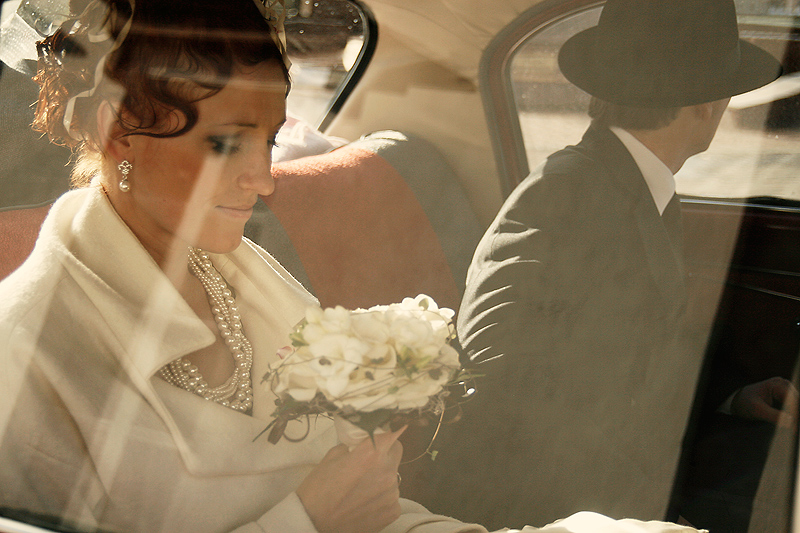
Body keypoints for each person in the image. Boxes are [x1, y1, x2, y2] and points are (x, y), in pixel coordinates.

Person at [0, 1, 712, 532]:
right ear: (117, 131)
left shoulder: (241, 273)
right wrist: (307, 520)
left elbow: (376, 512)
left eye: (269, 141)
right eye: (226, 144)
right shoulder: (27, 355)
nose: (265, 179)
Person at [402, 0, 788, 530]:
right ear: (706, 104)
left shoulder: (637, 184)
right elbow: (498, 387)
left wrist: (732, 399)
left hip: (631, 471)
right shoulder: (561, 197)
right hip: (555, 503)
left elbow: (638, 354)